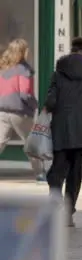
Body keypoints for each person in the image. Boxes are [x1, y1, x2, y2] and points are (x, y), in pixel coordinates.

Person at [44, 38, 82, 226]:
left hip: (61, 127)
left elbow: (51, 102)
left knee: (56, 171)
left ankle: (56, 203)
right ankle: (68, 213)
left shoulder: (58, 73)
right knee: (75, 172)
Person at [0, 38, 43, 181]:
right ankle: (40, 173)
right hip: (20, 112)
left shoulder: (4, 67)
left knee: (0, 141)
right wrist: (35, 104)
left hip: (2, 111)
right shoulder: (24, 69)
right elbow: (25, 93)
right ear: (23, 51)